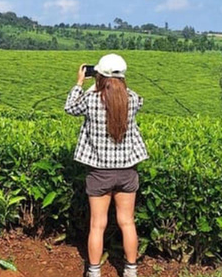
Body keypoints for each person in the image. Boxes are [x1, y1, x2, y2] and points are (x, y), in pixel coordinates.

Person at [64, 54, 149, 277]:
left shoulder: (91, 99)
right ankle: (131, 270)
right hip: (127, 171)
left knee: (97, 225)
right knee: (127, 222)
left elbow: (70, 108)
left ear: (99, 75)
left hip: (99, 172)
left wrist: (81, 83)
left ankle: (94, 271)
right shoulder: (133, 99)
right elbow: (132, 97)